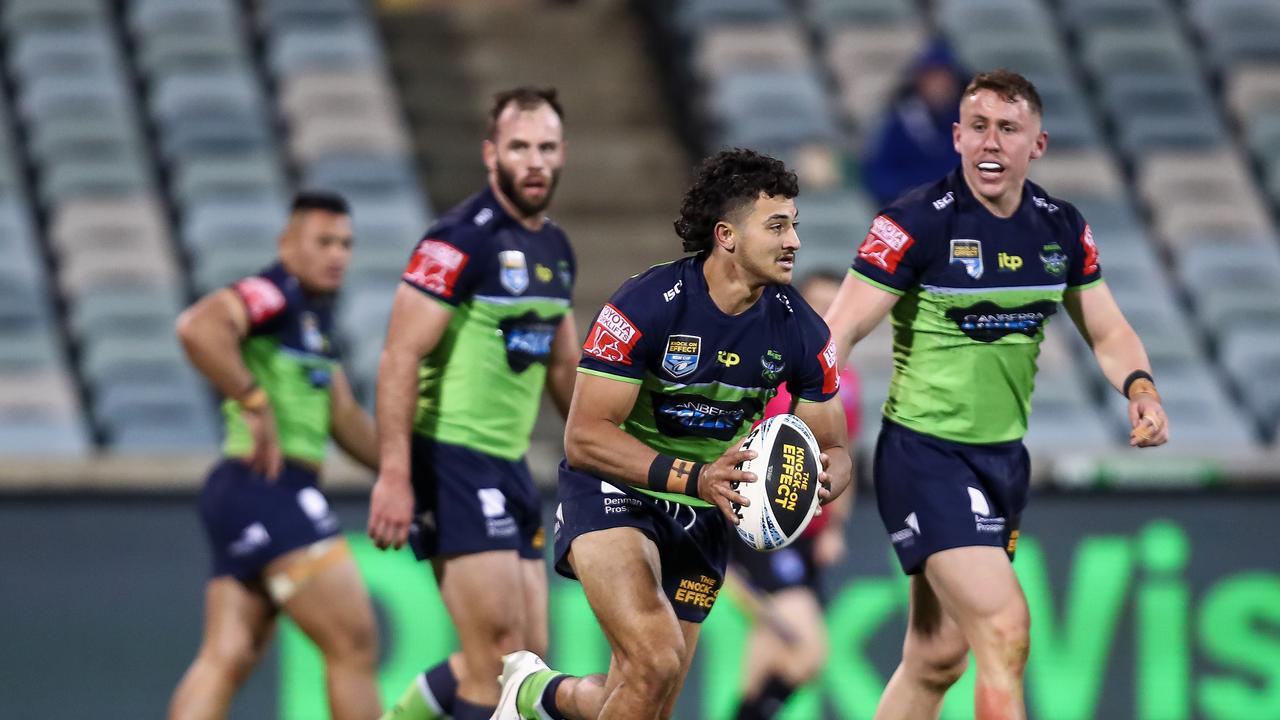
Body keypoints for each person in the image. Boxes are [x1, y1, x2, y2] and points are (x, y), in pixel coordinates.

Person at [824, 70, 1170, 720]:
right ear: (955, 137)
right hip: (924, 456)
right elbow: (840, 327)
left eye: (1008, 129)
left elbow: (1108, 328)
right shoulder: (912, 223)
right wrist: (801, 416)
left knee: (936, 658)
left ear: (1037, 143)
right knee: (1005, 626)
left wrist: (1140, 387)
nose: (991, 143)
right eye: (977, 127)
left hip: (1003, 462)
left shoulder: (1060, 228)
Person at [491, 148, 854, 720]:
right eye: (777, 225)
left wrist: (818, 479)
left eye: (795, 225)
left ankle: (538, 696)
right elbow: (584, 437)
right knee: (655, 661)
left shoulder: (803, 329)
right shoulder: (645, 305)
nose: (795, 242)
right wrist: (696, 476)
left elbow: (832, 446)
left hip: (707, 512)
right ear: (727, 236)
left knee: (644, 696)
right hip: (616, 493)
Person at [370, 86, 578, 720]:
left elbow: (564, 365)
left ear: (563, 153)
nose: (534, 161)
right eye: (520, 147)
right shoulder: (459, 240)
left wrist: (603, 452)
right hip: (452, 458)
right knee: (497, 663)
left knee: (528, 662)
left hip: (509, 464)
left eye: (545, 147)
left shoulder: (557, 249)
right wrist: (396, 475)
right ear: (492, 155)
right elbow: (399, 355)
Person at [169, 192, 381, 720]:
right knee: (352, 644)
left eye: (346, 244)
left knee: (227, 656)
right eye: (324, 241)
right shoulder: (274, 292)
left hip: (245, 492)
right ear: (288, 245)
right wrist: (252, 397)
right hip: (270, 487)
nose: (338, 254)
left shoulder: (313, 317)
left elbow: (346, 420)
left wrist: (408, 473)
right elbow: (198, 327)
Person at [726, 269, 860, 720]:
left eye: (833, 307)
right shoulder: (767, 368)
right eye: (816, 305)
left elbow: (843, 454)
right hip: (762, 526)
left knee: (767, 655)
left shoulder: (844, 380)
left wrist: (835, 528)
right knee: (808, 651)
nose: (825, 316)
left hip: (806, 533)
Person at [860, 38, 967, 208]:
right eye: (932, 79)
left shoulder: (970, 124)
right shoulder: (900, 123)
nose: (938, 87)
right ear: (920, 82)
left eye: (944, 79)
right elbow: (878, 173)